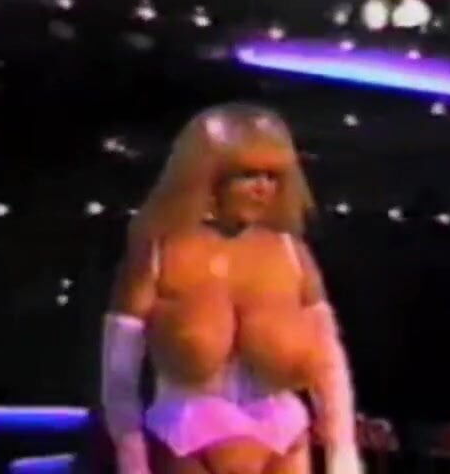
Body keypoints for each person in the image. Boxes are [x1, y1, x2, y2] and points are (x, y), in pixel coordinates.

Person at [101, 103, 362, 474]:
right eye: (248, 175)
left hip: (284, 436)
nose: (262, 187)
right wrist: (132, 459)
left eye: (272, 176)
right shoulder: (158, 254)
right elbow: (119, 373)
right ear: (210, 177)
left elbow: (328, 360)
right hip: (186, 436)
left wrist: (342, 452)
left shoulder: (291, 253)